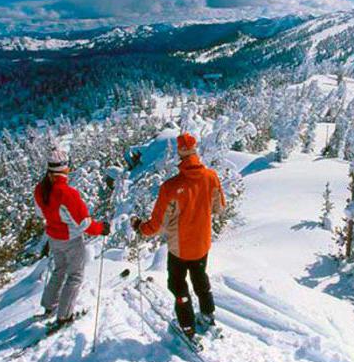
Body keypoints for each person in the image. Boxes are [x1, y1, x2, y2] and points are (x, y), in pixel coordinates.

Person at [131, 133, 225, 340]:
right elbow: (219, 208)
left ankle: (187, 328)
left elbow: (155, 225)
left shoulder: (171, 186)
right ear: (195, 149)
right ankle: (208, 315)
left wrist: (140, 227)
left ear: (179, 152)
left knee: (178, 285)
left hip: (180, 248)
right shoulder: (211, 176)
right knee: (200, 279)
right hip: (202, 243)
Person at [34, 147, 110, 325]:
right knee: (75, 275)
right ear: (65, 168)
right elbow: (85, 224)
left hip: (54, 237)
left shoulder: (41, 189)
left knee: (59, 270)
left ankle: (49, 305)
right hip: (71, 240)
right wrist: (102, 228)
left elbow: (40, 213)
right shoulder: (67, 193)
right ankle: (64, 316)